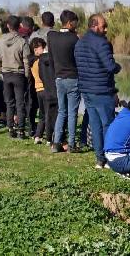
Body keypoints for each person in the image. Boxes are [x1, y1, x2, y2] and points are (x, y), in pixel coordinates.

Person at [75, 13, 121, 168]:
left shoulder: (80, 43)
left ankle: (100, 159)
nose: (106, 29)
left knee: (95, 124)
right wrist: (117, 66)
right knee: (108, 124)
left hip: (87, 90)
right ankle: (110, 158)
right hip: (102, 90)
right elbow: (110, 66)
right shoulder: (101, 43)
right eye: (104, 26)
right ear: (94, 25)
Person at [48, 10, 81, 153]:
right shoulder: (74, 39)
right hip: (73, 78)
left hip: (59, 78)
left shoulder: (52, 37)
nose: (76, 25)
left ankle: (56, 143)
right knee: (72, 112)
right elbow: (79, 60)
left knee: (62, 111)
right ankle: (71, 144)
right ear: (69, 23)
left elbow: (50, 58)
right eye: (75, 22)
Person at [0, 15, 30, 139]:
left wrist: (1, 71)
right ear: (19, 26)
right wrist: (26, 75)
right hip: (18, 74)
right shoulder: (22, 41)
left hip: (6, 74)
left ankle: (10, 127)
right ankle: (20, 129)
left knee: (9, 103)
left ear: (8, 26)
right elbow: (26, 60)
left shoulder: (0, 41)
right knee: (20, 103)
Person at [30, 37, 58, 147]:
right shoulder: (40, 61)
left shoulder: (32, 61)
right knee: (48, 115)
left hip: (38, 89)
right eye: (43, 47)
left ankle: (38, 135)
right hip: (45, 89)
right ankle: (49, 138)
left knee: (42, 114)